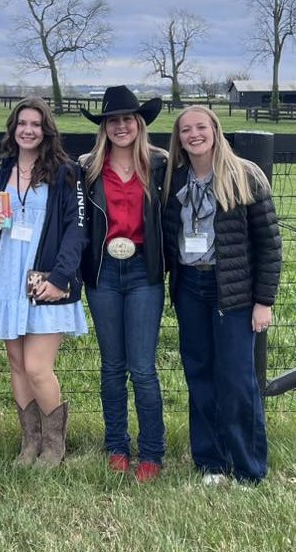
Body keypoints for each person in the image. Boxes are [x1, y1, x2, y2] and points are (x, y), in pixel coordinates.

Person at [163, 106, 282, 486]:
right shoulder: (173, 178)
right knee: (199, 374)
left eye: (201, 127)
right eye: (185, 130)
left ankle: (248, 467)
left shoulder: (245, 176)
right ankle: (211, 462)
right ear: (178, 138)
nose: (193, 135)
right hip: (190, 288)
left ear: (215, 129)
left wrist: (264, 301)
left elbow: (269, 245)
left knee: (237, 379)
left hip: (232, 292)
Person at [0, 97, 87, 467]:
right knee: (16, 364)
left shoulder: (66, 173)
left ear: (46, 130)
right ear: (13, 129)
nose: (28, 130)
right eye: (22, 123)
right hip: (9, 278)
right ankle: (30, 442)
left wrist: (61, 278)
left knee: (38, 366)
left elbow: (78, 229)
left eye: (35, 124)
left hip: (46, 279)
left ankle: (55, 445)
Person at [79, 85, 168, 482]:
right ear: (104, 127)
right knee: (112, 367)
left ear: (139, 123)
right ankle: (117, 445)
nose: (120, 126)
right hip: (103, 275)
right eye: (112, 120)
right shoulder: (87, 169)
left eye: (127, 119)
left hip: (143, 272)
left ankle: (151, 451)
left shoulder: (161, 165)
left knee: (143, 368)